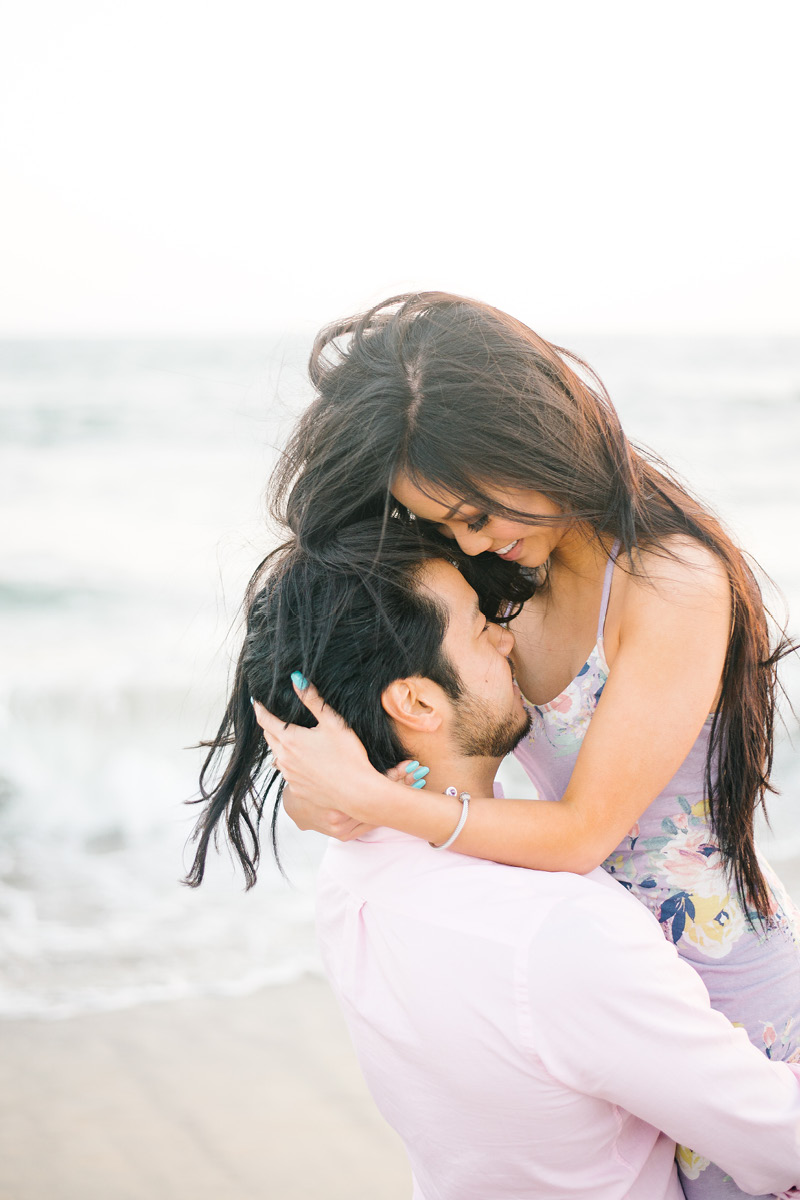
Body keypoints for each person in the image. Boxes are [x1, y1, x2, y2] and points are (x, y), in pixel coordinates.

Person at [255, 292, 800, 1198]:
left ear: (535, 441)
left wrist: (383, 801)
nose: (469, 541)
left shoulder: (667, 582)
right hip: (582, 975)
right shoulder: (509, 564)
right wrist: (324, 783)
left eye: (475, 511)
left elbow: (587, 831)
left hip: (715, 976)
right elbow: (394, 676)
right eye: (444, 523)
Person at [188, 519, 800, 1199]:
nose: (508, 638)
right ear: (417, 701)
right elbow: (782, 1145)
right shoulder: (565, 931)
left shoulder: (352, 878)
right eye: (482, 629)